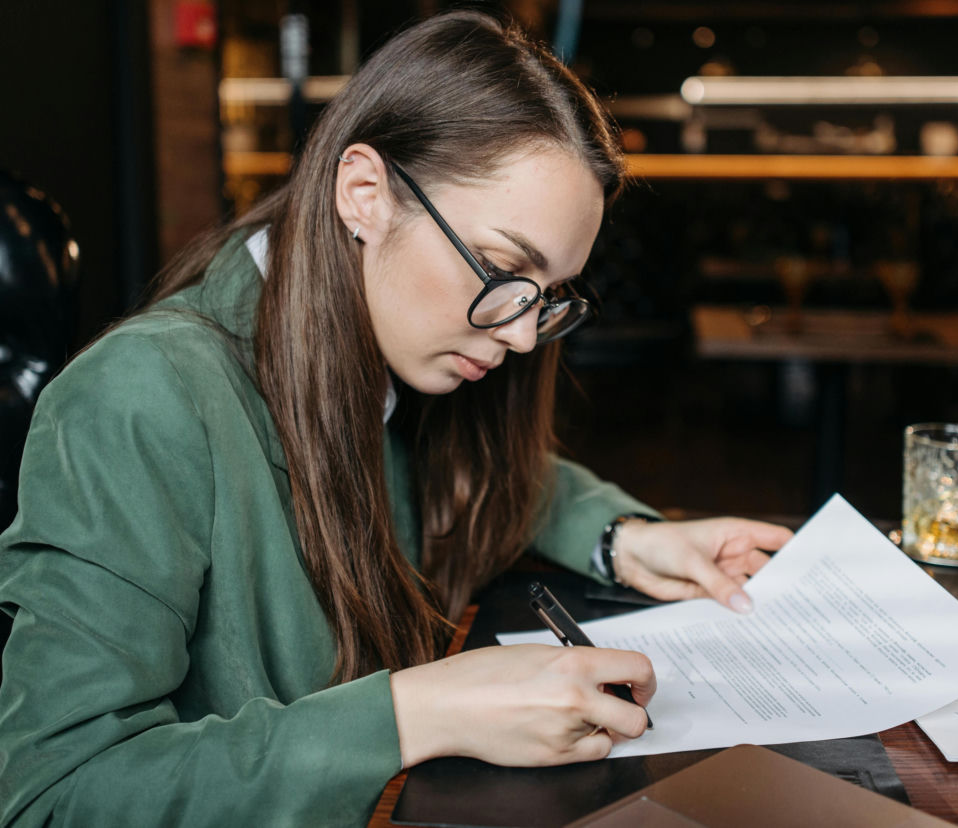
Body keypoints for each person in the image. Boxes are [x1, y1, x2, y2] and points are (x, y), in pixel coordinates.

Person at [0, 10, 791, 826]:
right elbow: (56, 795)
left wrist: (621, 537)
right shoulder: (138, 398)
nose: (521, 334)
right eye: (503, 268)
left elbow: (486, 473)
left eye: (548, 295)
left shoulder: (394, 350)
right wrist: (417, 713)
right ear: (365, 194)